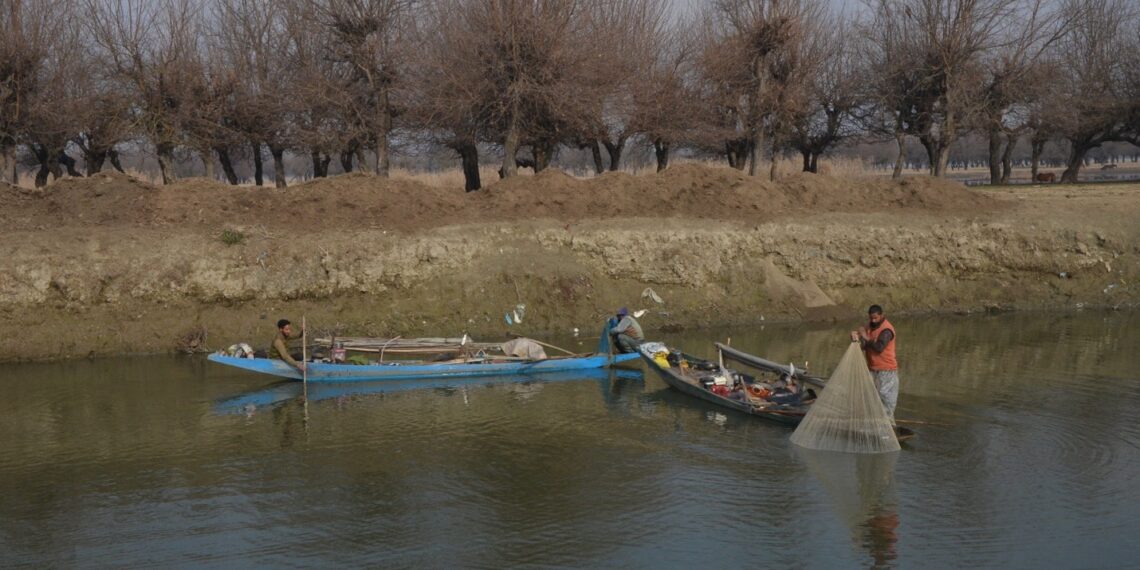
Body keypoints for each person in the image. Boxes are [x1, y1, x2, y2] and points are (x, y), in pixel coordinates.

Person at [851, 304, 898, 422]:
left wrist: (865, 337)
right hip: (872, 368)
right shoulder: (869, 327)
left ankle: (888, 426)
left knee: (885, 398)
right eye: (871, 318)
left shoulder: (886, 330)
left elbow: (878, 347)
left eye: (875, 318)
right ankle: (872, 422)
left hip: (886, 370)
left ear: (882, 316)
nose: (873, 320)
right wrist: (855, 338)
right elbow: (864, 345)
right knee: (870, 397)